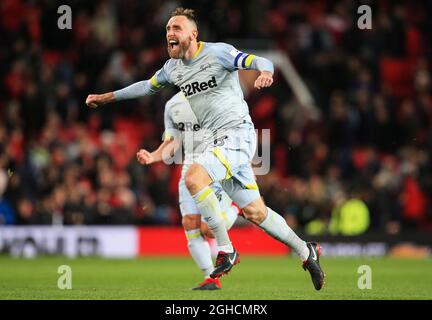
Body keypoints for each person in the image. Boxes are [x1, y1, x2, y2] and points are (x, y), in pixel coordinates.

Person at [86, 7, 325, 290]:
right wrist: (107, 98)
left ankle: (226, 250)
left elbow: (258, 60)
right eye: (167, 30)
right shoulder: (172, 69)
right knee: (256, 213)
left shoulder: (218, 53)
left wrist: (266, 72)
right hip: (217, 143)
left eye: (176, 28)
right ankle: (305, 251)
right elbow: (144, 87)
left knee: (194, 177)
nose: (169, 34)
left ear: (193, 34)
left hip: (238, 134)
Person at [136, 91, 239, 290]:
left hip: (214, 167)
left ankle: (236, 208)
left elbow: (235, 130)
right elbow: (172, 142)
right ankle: (211, 278)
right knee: (189, 223)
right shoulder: (173, 104)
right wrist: (153, 156)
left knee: (208, 230)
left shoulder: (216, 95)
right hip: (189, 169)